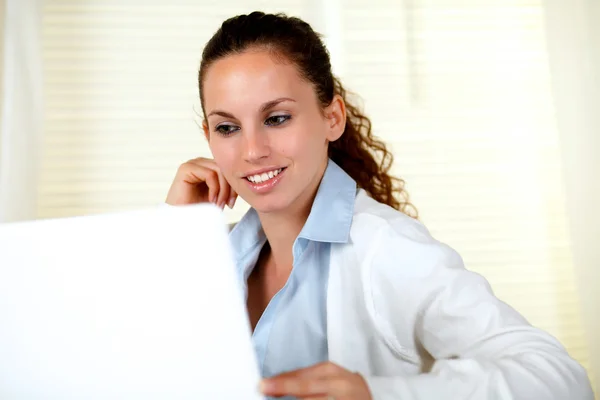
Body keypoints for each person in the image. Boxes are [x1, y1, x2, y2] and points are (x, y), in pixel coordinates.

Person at [165, 11, 593, 400]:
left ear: (332, 118)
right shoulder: (214, 253)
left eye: (277, 118)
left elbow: (558, 378)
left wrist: (374, 394)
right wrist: (174, 235)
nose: (252, 150)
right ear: (208, 136)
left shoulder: (385, 249)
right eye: (228, 127)